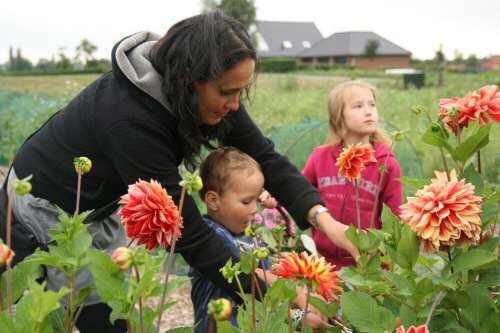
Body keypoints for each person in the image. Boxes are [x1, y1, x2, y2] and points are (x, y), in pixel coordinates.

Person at [0, 11, 357, 332]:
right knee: (40, 314)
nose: (235, 105)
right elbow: (189, 235)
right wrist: (276, 294)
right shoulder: (130, 121)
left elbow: (265, 155)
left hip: (99, 207)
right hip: (43, 208)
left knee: (107, 313)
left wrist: (324, 220)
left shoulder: (203, 91)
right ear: (189, 80)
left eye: (241, 92)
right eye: (227, 93)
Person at [190, 147, 329, 332]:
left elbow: (269, 282)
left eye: (257, 200)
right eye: (247, 201)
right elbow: (249, 272)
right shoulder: (210, 236)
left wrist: (302, 296)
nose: (255, 209)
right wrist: (298, 296)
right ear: (213, 200)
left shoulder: (250, 236)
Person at [302, 80, 403, 268]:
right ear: (338, 117)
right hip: (323, 261)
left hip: (368, 262)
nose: (368, 111)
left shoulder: (386, 163)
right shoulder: (320, 157)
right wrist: (274, 199)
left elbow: (395, 219)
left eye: (372, 104)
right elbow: (301, 192)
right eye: (358, 106)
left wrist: (386, 255)